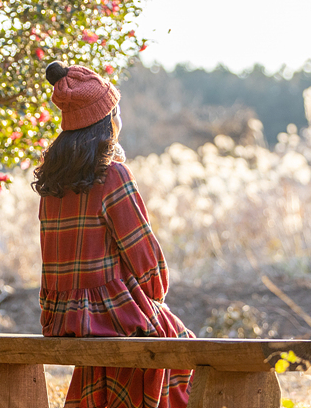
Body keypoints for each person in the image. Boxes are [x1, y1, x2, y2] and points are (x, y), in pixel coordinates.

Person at [33, 61, 194, 408]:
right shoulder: (113, 176)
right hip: (109, 313)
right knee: (181, 346)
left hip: (60, 317)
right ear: (105, 121)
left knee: (110, 358)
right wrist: (154, 296)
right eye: (115, 111)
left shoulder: (52, 183)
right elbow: (147, 261)